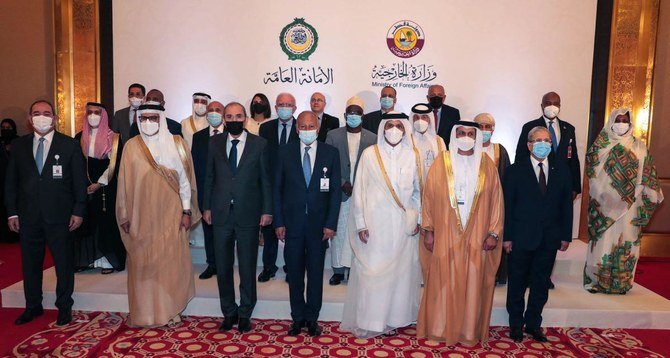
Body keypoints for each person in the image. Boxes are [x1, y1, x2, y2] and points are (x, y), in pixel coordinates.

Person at [416, 121, 503, 345]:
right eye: (462, 133)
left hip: (477, 234)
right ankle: (439, 328)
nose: (466, 137)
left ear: (477, 137)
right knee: (443, 280)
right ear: (455, 135)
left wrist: (494, 232)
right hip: (446, 232)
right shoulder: (441, 163)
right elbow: (429, 198)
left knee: (473, 282)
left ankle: (467, 331)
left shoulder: (487, 164)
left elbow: (496, 201)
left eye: (470, 133)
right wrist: (428, 229)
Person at [116, 103, 200, 327]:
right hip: (140, 216)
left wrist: (186, 211)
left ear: (161, 119)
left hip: (170, 214)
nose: (148, 123)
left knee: (170, 263)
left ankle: (172, 310)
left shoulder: (177, 144)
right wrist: (124, 215)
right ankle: (145, 312)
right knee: (143, 263)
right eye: (143, 118)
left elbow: (185, 182)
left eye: (153, 118)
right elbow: (123, 184)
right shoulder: (131, 147)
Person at [5, 100, 87, 326]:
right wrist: (12, 213)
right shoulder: (19, 146)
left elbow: (80, 182)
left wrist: (78, 210)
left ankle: (64, 307)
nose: (42, 117)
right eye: (37, 113)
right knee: (30, 264)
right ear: (30, 119)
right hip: (28, 217)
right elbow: (11, 182)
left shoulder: (69, 145)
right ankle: (33, 305)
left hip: (61, 216)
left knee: (63, 264)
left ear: (55, 118)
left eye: (47, 113)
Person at [341, 114, 421, 339]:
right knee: (372, 273)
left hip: (402, 228)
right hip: (375, 226)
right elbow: (359, 191)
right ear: (382, 129)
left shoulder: (412, 156)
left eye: (398, 126)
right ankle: (371, 320)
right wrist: (360, 223)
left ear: (405, 130)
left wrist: (417, 219)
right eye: (389, 125)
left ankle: (395, 320)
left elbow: (418, 192)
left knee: (400, 275)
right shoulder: (370, 154)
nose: (394, 129)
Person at [203, 102, 272, 333]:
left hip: (248, 214)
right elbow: (209, 177)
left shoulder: (259, 144)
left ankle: (245, 313)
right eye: (229, 116)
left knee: (247, 266)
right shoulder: (213, 143)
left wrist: (267, 210)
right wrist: (206, 207)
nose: (234, 119)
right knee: (222, 267)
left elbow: (265, 180)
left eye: (238, 116)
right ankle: (229, 312)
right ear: (224, 118)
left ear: (245, 119)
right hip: (220, 213)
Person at [274, 111, 341, 336]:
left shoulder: (330, 153)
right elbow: (277, 191)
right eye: (302, 126)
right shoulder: (284, 153)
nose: (307, 130)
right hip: (291, 226)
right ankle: (297, 318)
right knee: (294, 274)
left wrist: (331, 224)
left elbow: (333, 193)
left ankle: (312, 318)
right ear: (296, 129)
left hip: (319, 227)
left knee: (314, 275)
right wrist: (279, 222)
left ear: (318, 128)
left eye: (311, 126)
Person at [504, 126, 573, 343]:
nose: (543, 144)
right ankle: (516, 325)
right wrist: (507, 237)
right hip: (521, 237)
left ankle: (533, 324)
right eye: (538, 140)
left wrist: (565, 236)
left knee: (541, 284)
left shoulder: (562, 170)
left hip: (549, 238)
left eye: (547, 140)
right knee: (516, 283)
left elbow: (566, 207)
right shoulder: (515, 170)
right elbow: (507, 206)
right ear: (529, 144)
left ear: (551, 145)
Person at [583, 109, 664, 294]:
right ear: (611, 122)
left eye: (625, 120)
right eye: (618, 120)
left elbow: (648, 175)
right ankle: (596, 281)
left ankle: (622, 283)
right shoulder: (600, 145)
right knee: (602, 243)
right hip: (605, 206)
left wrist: (638, 191)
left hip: (631, 206)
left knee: (626, 242)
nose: (621, 123)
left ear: (630, 123)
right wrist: (610, 195)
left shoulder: (639, 147)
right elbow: (593, 175)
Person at [325, 96, 376, 285]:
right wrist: (343, 182)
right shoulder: (333, 135)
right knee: (338, 231)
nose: (353, 116)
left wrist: (362, 186)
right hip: (340, 192)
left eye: (358, 113)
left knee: (358, 231)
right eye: (350, 112)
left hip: (363, 193)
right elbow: (327, 164)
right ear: (345, 114)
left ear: (363, 116)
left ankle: (355, 269)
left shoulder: (372, 138)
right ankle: (338, 270)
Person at [73, 102, 125, 274]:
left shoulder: (114, 138)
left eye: (97, 112)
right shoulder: (79, 137)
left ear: (104, 116)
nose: (93, 116)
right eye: (90, 112)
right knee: (86, 223)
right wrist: (84, 184)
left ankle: (107, 262)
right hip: (84, 187)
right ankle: (87, 260)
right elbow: (76, 164)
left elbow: (114, 164)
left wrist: (99, 183)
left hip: (105, 188)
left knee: (105, 223)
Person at [257, 93, 299, 282]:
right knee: (270, 230)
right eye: (281, 104)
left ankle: (292, 268)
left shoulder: (303, 127)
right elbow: (262, 158)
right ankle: (269, 267)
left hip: (293, 188)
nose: (285, 107)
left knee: (293, 231)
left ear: (295, 108)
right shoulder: (265, 128)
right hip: (271, 186)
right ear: (275, 108)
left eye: (288, 104)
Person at [515, 92, 581, 199]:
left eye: (556, 104)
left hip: (562, 181)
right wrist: (520, 182)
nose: (552, 106)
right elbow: (521, 155)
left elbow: (573, 159)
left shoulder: (569, 128)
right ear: (542, 106)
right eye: (548, 103)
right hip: (538, 180)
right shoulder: (529, 127)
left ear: (559, 107)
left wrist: (575, 186)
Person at [409, 103, 446, 281]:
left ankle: (431, 276)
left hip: (435, 198)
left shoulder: (439, 141)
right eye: (416, 118)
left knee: (433, 238)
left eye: (424, 118)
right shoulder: (406, 139)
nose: (420, 121)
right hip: (413, 197)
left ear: (430, 120)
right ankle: (415, 277)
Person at [474, 112, 511, 285]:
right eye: (480, 126)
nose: (483, 130)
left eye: (487, 126)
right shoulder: (466, 148)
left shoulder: (499, 150)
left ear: (493, 129)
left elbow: (507, 178)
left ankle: (493, 274)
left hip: (494, 204)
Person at [191, 101, 225, 280]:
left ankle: (225, 265)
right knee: (209, 232)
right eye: (210, 110)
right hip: (207, 193)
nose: (213, 113)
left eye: (217, 110)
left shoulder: (233, 134)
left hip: (228, 194)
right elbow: (195, 167)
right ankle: (212, 264)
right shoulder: (199, 137)